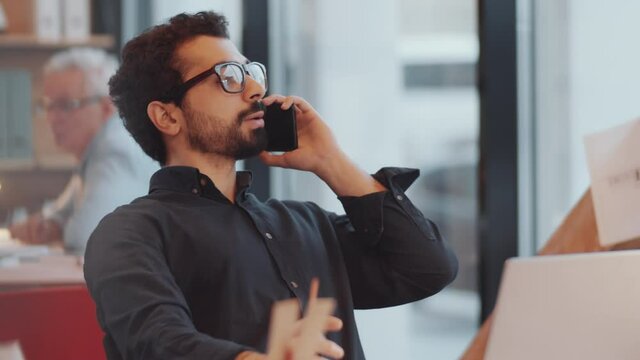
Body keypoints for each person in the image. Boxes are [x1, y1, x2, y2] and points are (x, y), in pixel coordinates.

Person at [84, 11, 458, 360]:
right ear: (167, 115)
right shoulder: (130, 233)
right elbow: (158, 341)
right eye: (229, 77)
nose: (253, 91)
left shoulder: (305, 223)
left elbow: (428, 269)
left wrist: (333, 163)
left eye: (253, 74)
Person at [8, 48, 158, 255]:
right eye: (48, 106)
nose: (52, 118)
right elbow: (57, 213)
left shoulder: (115, 151)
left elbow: (87, 237)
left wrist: (56, 229)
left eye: (65, 105)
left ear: (106, 107)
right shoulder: (93, 152)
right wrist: (52, 224)